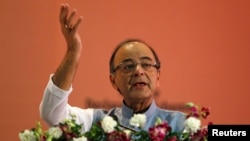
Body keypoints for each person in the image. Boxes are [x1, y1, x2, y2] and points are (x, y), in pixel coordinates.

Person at [40, 3, 185, 133]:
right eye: (128, 66)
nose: (138, 71)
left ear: (158, 76)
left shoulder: (181, 124)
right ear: (113, 81)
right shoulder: (95, 123)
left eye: (146, 64)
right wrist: (73, 51)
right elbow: (51, 113)